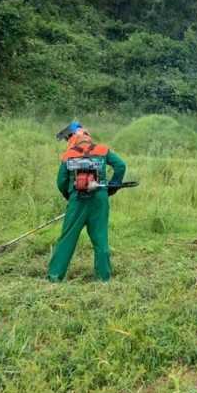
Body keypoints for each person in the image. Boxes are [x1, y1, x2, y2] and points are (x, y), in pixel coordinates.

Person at [48, 121, 126, 282]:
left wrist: (69, 195)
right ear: (88, 137)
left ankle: (55, 277)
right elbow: (120, 165)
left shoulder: (69, 155)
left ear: (73, 139)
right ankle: (104, 277)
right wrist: (113, 187)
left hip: (77, 200)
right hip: (100, 199)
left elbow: (61, 182)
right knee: (100, 237)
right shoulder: (102, 150)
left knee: (68, 238)